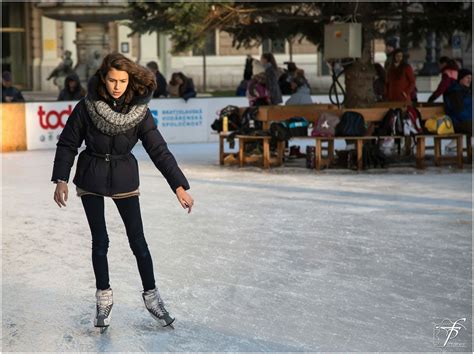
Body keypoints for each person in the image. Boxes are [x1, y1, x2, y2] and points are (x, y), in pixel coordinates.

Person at [50, 53, 194, 330]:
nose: (118, 86)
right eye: (113, 80)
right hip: (91, 175)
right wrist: (61, 179)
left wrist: (178, 185)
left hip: (124, 176)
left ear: (131, 81)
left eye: (123, 81)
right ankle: (103, 297)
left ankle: (152, 296)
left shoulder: (139, 111)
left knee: (137, 241)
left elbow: (158, 149)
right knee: (100, 241)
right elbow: (68, 143)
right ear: (104, 78)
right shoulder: (87, 106)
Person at [443, 68, 472, 136]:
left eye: (470, 78)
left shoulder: (467, 91)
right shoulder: (455, 92)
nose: (469, 80)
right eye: (467, 78)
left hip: (467, 121)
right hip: (457, 122)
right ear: (461, 79)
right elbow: (458, 112)